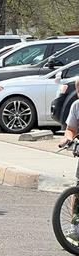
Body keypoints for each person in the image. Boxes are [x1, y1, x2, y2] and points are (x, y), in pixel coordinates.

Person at [61, 82, 79, 240]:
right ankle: (75, 227)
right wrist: (68, 139)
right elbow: (71, 129)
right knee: (78, 190)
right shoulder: (76, 106)